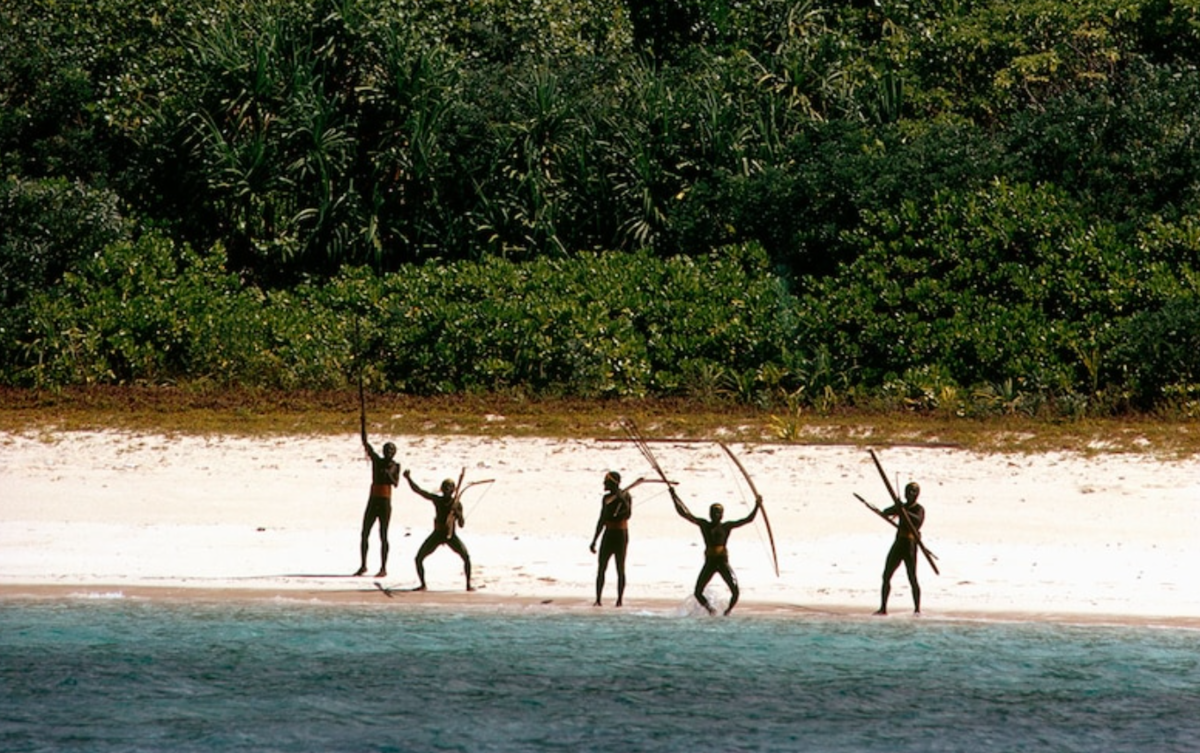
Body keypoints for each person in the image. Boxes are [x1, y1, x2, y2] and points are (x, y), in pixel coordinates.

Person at [670, 486, 761, 615]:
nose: (715, 515)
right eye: (713, 512)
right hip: (710, 562)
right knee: (698, 592)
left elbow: (748, 520)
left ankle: (728, 611)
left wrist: (757, 505)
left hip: (723, 562)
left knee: (735, 592)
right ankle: (710, 609)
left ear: (722, 515)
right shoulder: (704, 525)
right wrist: (673, 496)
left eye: (718, 513)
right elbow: (684, 514)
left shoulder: (727, 526)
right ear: (710, 514)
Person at [404, 470, 473, 591]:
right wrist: (408, 478)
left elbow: (461, 524)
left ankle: (468, 585)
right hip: (437, 534)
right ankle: (423, 584)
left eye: (450, 488)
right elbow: (419, 491)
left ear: (453, 490)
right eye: (445, 487)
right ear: (442, 489)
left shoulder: (456, 504)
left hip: (450, 535)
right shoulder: (438, 500)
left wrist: (457, 513)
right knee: (418, 558)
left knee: (466, 557)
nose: (447, 490)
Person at [354, 427, 399, 578]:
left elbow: (396, 483)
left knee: (383, 535)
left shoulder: (395, 466)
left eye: (391, 451)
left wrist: (388, 474)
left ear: (394, 453)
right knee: (365, 532)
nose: (388, 453)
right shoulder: (377, 461)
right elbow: (366, 444)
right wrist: (363, 425)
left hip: (385, 500)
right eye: (386, 450)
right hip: (373, 499)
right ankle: (363, 565)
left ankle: (383, 568)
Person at [875, 481, 926, 615]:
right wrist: (898, 507)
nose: (910, 494)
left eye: (913, 492)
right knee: (886, 575)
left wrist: (903, 511)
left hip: (910, 545)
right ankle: (883, 608)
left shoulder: (919, 509)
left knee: (912, 577)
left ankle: (917, 609)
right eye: (908, 491)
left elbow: (917, 521)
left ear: (917, 495)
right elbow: (886, 512)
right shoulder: (901, 507)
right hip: (899, 543)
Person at [589, 471, 632, 607]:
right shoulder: (606, 498)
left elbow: (628, 513)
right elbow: (602, 519)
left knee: (620, 568)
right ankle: (598, 599)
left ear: (612, 483)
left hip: (621, 535)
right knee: (601, 567)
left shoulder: (626, 496)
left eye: (606, 482)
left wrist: (622, 499)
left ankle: (619, 600)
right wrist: (595, 539)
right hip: (608, 534)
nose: (604, 484)